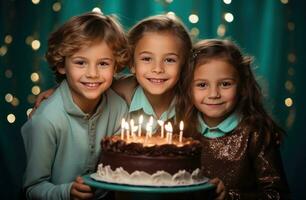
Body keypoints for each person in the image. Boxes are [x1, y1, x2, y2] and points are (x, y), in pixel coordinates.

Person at [33, 15, 225, 199]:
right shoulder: (123, 89)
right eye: (147, 58)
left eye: (169, 60)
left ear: (184, 65)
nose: (157, 69)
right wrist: (59, 90)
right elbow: (88, 81)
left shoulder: (195, 99)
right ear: (132, 63)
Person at [21, 12, 130, 200]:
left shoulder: (119, 108)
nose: (93, 73)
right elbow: (32, 188)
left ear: (116, 66)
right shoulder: (46, 120)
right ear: (62, 65)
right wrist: (66, 192)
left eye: (103, 63)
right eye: (81, 63)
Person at [176, 39, 291, 199]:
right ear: (188, 88)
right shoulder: (182, 130)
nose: (213, 94)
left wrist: (230, 196)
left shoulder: (256, 133)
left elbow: (277, 194)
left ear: (242, 85)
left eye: (225, 84)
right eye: (202, 85)